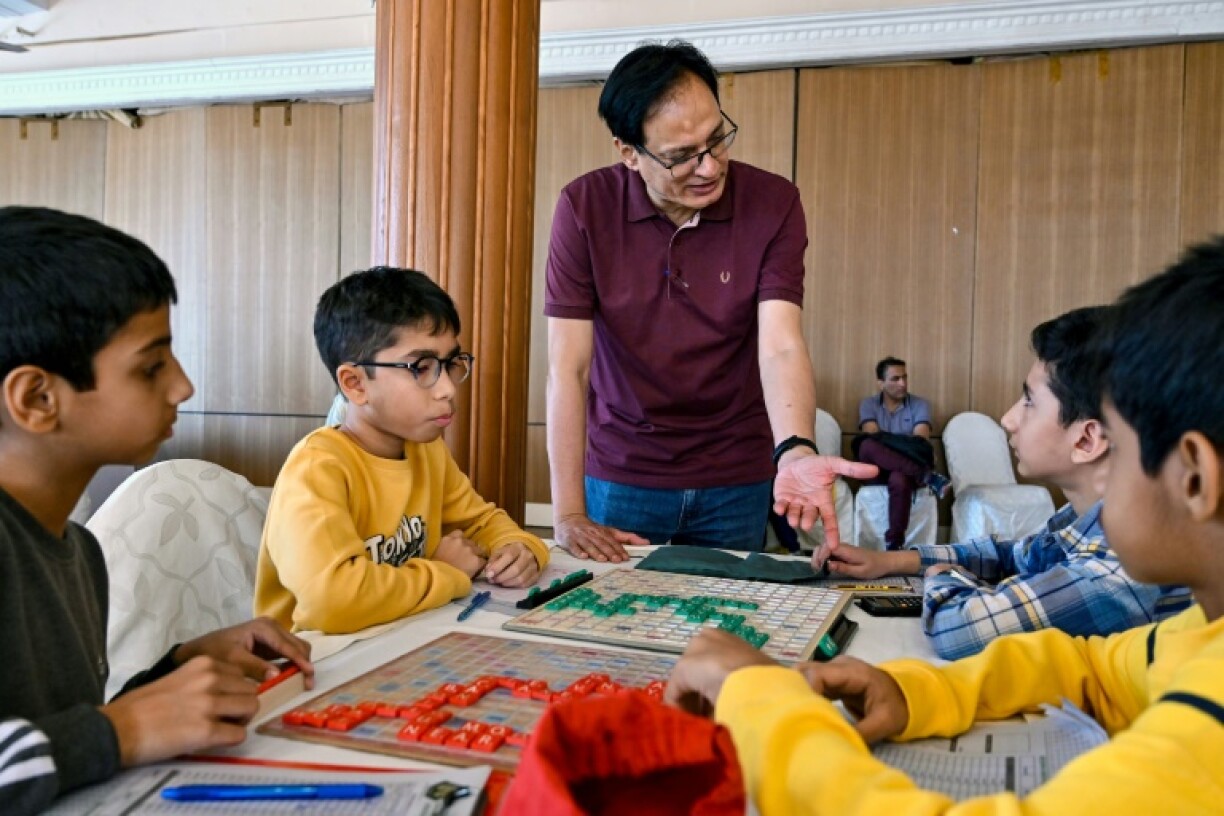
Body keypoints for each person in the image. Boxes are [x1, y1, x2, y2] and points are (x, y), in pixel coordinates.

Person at [665, 237, 1224, 814]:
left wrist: (761, 700)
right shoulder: (1200, 637)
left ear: (1194, 478)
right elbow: (1092, 670)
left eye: (1121, 451)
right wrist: (915, 691)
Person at [0, 206, 315, 815]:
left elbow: (54, 733)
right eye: (151, 368)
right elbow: (91, 735)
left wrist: (176, 671)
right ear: (37, 398)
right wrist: (124, 728)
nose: (182, 387)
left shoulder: (77, 549)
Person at [545, 40, 873, 564]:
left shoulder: (773, 203)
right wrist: (567, 513)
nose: (709, 167)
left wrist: (796, 449)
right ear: (629, 153)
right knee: (617, 612)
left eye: (717, 139)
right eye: (681, 156)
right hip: (625, 469)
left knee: (728, 611)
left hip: (735, 473)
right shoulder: (584, 208)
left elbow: (781, 345)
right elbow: (569, 366)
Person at [830, 310, 1192, 658]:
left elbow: (956, 629)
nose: (1008, 419)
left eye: (1029, 401)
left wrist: (946, 576)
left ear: (1086, 440)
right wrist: (890, 561)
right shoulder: (1096, 518)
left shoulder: (1122, 572)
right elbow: (1014, 556)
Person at [255, 267, 550, 634]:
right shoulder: (318, 468)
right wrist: (445, 572)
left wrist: (519, 548)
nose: (447, 388)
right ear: (355, 383)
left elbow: (482, 523)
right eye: (421, 368)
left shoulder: (426, 451)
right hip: (319, 660)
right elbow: (332, 601)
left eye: (450, 364)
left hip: (399, 640)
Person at [854, 356, 950, 550]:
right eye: (895, 379)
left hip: (906, 467)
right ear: (881, 383)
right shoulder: (868, 404)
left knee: (899, 477)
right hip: (877, 469)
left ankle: (894, 543)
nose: (903, 384)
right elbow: (873, 436)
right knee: (866, 445)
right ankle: (927, 477)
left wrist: (887, 441)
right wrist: (902, 443)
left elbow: (920, 442)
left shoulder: (920, 404)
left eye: (904, 377)